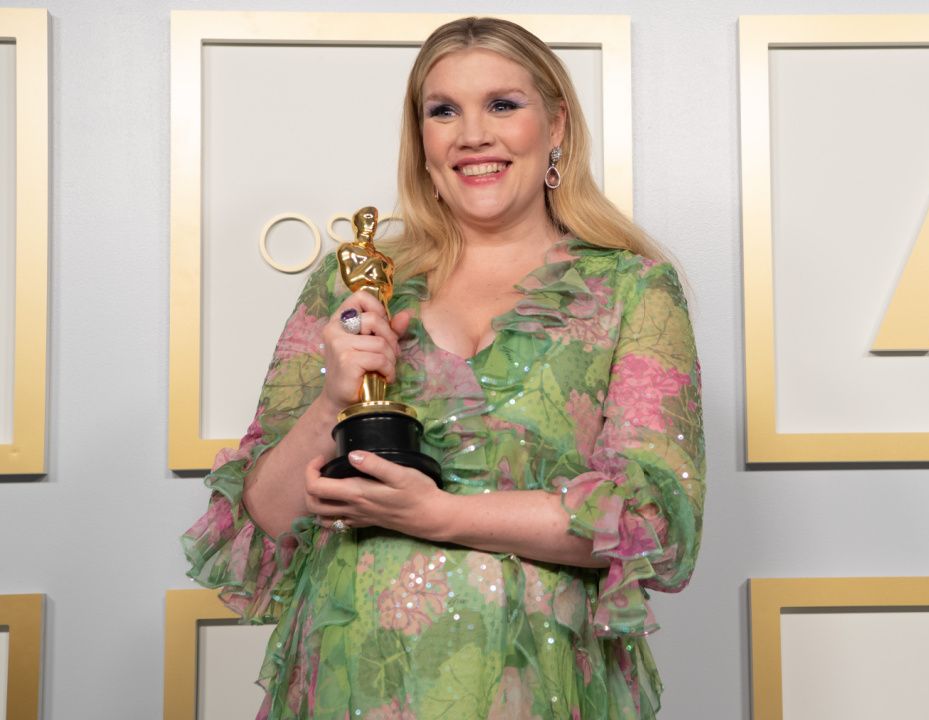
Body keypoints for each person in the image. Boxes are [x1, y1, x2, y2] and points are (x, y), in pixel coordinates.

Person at [182, 17, 704, 720]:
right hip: (350, 685)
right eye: (444, 111)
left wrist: (439, 514)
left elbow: (653, 526)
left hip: (538, 686)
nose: (472, 135)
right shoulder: (353, 291)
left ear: (556, 127)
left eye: (503, 105)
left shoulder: (633, 290)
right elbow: (266, 521)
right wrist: (331, 401)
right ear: (421, 141)